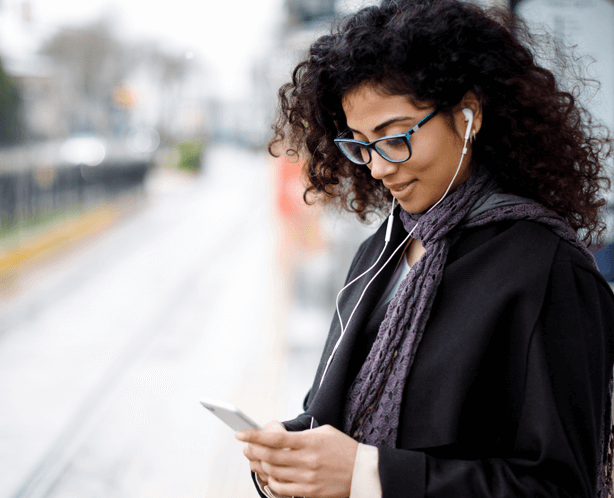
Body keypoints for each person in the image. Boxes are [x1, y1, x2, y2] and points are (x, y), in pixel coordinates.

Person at [235, 1, 614, 497]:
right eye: (360, 144)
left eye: (395, 137)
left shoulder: (547, 270)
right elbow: (336, 415)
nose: (377, 167)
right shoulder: (381, 250)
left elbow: (559, 486)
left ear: (469, 115)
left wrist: (368, 475)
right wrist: (291, 459)